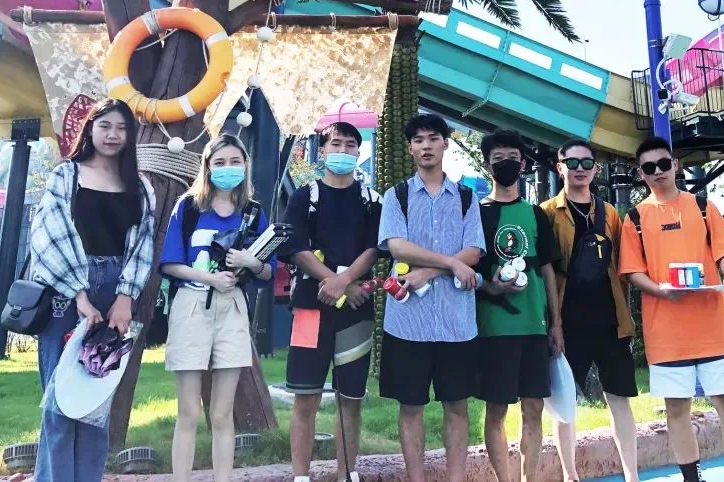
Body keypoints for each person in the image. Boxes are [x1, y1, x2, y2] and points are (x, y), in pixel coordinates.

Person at [29, 98, 156, 482]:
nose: (113, 134)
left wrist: (125, 297)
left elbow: (143, 243)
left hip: (116, 289)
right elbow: (48, 234)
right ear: (90, 129)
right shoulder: (66, 176)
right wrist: (78, 294)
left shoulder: (139, 187)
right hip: (65, 291)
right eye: (105, 126)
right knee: (60, 400)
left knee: (95, 403)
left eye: (121, 127)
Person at [618, 136, 724, 482]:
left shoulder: (704, 207)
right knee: (677, 410)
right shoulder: (634, 218)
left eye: (664, 164)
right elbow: (632, 271)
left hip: (714, 328)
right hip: (666, 334)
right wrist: (661, 292)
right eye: (649, 167)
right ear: (641, 174)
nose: (658, 171)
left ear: (675, 165)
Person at [159, 133, 276, 482]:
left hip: (233, 307)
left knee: (223, 414)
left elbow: (269, 270)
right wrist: (209, 278)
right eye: (220, 162)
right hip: (192, 304)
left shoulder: (253, 214)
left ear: (245, 165)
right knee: (189, 411)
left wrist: (251, 262)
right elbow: (169, 264)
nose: (228, 168)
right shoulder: (189, 208)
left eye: (235, 161)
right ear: (208, 166)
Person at [377, 113, 485, 482]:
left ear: (445, 143)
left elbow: (474, 250)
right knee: (411, 407)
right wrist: (450, 264)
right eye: (419, 140)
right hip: (409, 323)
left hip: (457, 324)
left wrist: (429, 271)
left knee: (457, 406)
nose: (426, 146)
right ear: (410, 148)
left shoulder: (467, 197)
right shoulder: (397, 196)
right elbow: (397, 247)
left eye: (433, 138)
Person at [284, 121, 381, 482]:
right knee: (305, 396)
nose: (342, 151)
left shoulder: (371, 200)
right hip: (309, 309)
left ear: (359, 151)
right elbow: (296, 248)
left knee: (350, 398)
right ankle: (300, 476)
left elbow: (374, 248)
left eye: (350, 145)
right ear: (322, 151)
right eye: (335, 144)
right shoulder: (304, 197)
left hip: (356, 310)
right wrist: (336, 281)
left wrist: (345, 281)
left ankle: (347, 474)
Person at [540, 138, 640, 482]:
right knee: (565, 403)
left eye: (586, 163)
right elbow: (545, 270)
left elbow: (623, 266)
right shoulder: (547, 212)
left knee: (620, 398)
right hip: (567, 323)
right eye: (572, 163)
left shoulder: (609, 213)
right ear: (560, 167)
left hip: (610, 321)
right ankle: (570, 475)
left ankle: (632, 475)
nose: (579, 169)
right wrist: (552, 323)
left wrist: (629, 318)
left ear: (596, 168)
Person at [475, 130, 563, 482]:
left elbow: (548, 270)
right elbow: (469, 268)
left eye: (512, 158)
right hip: (494, 327)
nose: (506, 164)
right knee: (496, 408)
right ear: (488, 166)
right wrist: (490, 286)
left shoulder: (536, 214)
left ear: (523, 164)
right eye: (498, 159)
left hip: (534, 326)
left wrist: (556, 323)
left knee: (534, 407)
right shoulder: (476, 213)